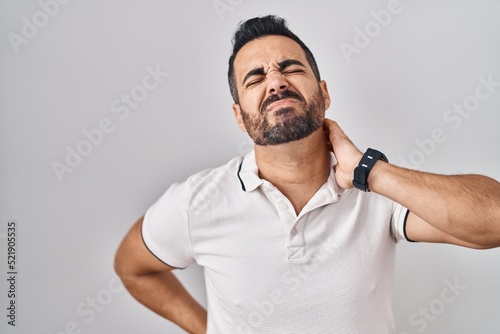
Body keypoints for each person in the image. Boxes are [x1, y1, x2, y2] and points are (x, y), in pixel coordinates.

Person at [114, 15, 500, 333]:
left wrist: (370, 171)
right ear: (238, 117)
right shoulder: (198, 202)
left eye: (290, 68)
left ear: (324, 93)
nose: (276, 81)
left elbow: (494, 221)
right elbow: (132, 268)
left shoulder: (379, 190)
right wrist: (206, 328)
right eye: (255, 78)